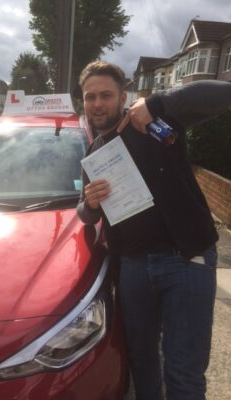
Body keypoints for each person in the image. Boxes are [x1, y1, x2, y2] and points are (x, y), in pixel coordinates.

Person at [77, 60, 231, 400]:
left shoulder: (153, 122)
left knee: (183, 372)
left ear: (123, 96)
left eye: (106, 95)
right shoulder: (94, 153)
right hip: (132, 268)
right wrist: (89, 204)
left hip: (185, 261)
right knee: (143, 365)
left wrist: (157, 103)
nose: (97, 104)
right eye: (90, 97)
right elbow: (84, 213)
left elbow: (223, 94)